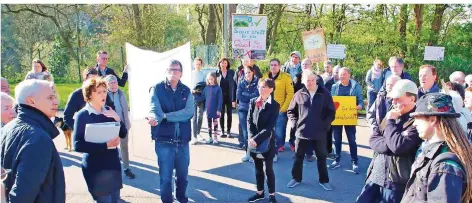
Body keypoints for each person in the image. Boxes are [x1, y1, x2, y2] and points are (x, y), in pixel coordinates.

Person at [357, 79, 422, 203]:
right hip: (376, 174)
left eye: (398, 98)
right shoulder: (392, 112)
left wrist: (391, 122)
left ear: (412, 99)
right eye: (393, 98)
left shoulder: (416, 121)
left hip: (396, 181)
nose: (394, 101)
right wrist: (389, 145)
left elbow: (398, 147)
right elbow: (374, 139)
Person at [0, 79, 65, 202]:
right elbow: (22, 194)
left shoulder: (8, 127)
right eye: (50, 98)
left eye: (55, 97)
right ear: (31, 101)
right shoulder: (38, 138)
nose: (56, 101)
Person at [402, 93, 472, 203]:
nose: (414, 124)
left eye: (417, 118)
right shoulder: (438, 153)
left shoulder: (445, 166)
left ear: (432, 120)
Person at [73, 77, 127, 202]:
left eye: (104, 91)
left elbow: (123, 134)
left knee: (115, 200)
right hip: (95, 168)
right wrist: (105, 145)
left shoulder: (109, 111)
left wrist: (117, 118)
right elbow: (78, 145)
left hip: (112, 165)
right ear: (89, 95)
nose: (103, 95)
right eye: (99, 92)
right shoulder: (83, 115)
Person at [148, 60, 194, 203]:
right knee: (165, 178)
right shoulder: (156, 89)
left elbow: (189, 112)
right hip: (164, 142)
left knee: (182, 177)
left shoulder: (186, 90)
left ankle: (181, 199)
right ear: (166, 71)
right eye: (171, 69)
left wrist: (166, 116)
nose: (173, 72)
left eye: (177, 69)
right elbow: (155, 110)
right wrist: (157, 117)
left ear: (181, 73)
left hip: (183, 142)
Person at [287, 72, 335, 191]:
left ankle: (324, 180)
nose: (310, 83)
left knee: (322, 158)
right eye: (307, 81)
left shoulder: (325, 94)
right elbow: (291, 111)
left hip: (319, 132)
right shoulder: (299, 94)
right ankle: (296, 178)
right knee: (298, 157)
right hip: (302, 132)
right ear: (304, 81)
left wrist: (325, 125)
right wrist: (295, 124)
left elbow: (331, 112)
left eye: (312, 80)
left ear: (316, 80)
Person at [246, 78, 280, 203]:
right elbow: (249, 121)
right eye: (260, 86)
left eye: (264, 87)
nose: (261, 88)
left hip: (266, 142)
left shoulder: (275, 105)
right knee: (258, 169)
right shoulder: (253, 101)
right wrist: (251, 137)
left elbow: (269, 127)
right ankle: (259, 193)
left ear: (271, 89)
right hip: (253, 142)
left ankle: (272, 195)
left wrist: (256, 139)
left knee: (268, 169)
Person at [289, 58, 325, 160]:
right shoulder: (297, 77)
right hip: (299, 107)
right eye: (303, 64)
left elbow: (321, 92)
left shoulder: (317, 78)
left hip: (312, 108)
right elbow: (293, 92)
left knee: (309, 131)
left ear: (311, 65)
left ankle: (309, 153)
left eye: (307, 64)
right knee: (298, 131)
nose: (304, 65)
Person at [329, 67, 363, 173]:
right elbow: (331, 101)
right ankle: (337, 160)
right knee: (337, 140)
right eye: (340, 74)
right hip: (337, 118)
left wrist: (359, 106)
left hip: (349, 118)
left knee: (352, 140)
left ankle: (354, 161)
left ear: (349, 75)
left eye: (344, 74)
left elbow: (361, 101)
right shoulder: (334, 86)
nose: (341, 76)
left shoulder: (355, 86)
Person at [104, 75, 136, 179]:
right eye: (111, 83)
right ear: (107, 85)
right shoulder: (104, 95)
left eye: (115, 82)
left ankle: (126, 168)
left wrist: (126, 124)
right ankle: (112, 169)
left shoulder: (122, 94)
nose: (113, 85)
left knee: (124, 147)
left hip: (122, 125)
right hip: (109, 126)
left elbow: (125, 111)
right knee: (111, 147)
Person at [263, 58, 294, 161]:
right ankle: (271, 148)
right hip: (267, 109)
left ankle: (279, 145)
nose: (273, 67)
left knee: (279, 130)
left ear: (279, 66)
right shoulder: (265, 77)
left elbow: (290, 94)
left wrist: (283, 108)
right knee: (268, 130)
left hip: (280, 109)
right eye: (271, 65)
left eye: (275, 65)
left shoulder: (286, 77)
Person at [236, 66, 259, 161]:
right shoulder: (241, 83)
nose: (248, 74)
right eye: (246, 73)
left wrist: (246, 95)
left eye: (249, 72)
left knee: (253, 132)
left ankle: (253, 154)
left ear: (253, 72)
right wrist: (249, 97)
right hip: (242, 110)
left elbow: (257, 95)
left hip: (254, 110)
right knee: (245, 133)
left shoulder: (258, 82)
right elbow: (239, 96)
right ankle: (247, 153)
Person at [215, 58, 236, 138]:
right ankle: (222, 131)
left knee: (229, 114)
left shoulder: (231, 72)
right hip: (220, 97)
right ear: (219, 64)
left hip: (229, 96)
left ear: (227, 64)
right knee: (221, 114)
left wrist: (234, 99)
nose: (223, 64)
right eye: (222, 63)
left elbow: (234, 86)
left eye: (225, 63)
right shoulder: (216, 73)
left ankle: (228, 132)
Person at [201, 72, 223, 144]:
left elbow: (220, 100)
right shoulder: (206, 88)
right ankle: (210, 137)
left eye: (212, 79)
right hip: (208, 110)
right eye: (209, 79)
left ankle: (215, 138)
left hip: (215, 110)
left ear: (214, 79)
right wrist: (195, 96)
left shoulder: (218, 88)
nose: (210, 80)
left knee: (215, 124)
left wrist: (219, 109)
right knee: (209, 124)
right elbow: (202, 97)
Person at [191, 57, 206, 144]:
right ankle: (194, 136)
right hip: (192, 97)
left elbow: (205, 84)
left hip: (200, 97)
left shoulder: (203, 74)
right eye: (196, 64)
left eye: (199, 64)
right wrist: (192, 90)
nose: (198, 65)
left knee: (200, 116)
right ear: (194, 64)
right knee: (194, 117)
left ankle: (198, 133)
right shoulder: (191, 73)